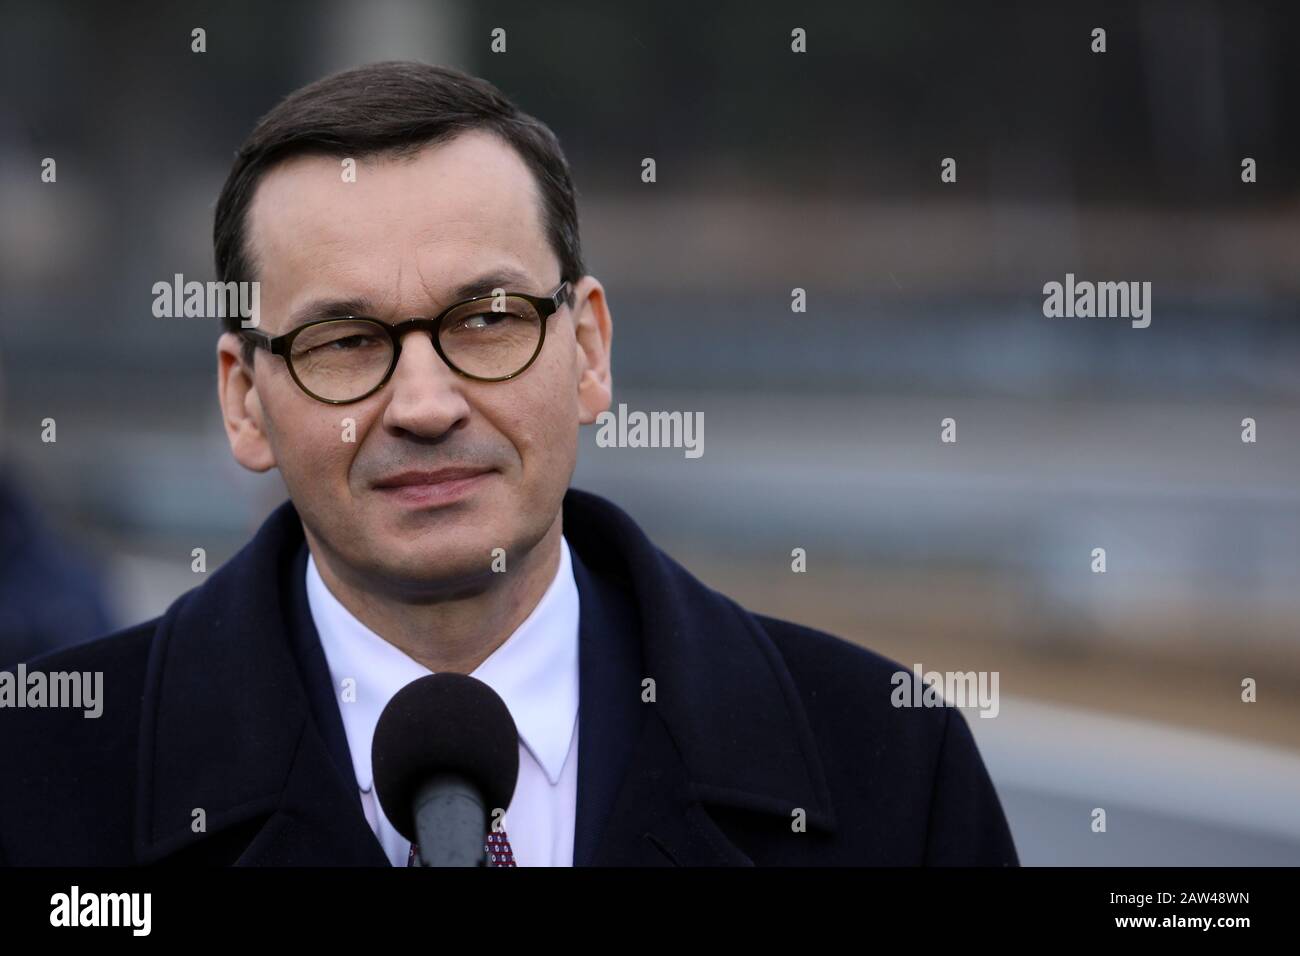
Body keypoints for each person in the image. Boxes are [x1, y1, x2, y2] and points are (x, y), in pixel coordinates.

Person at [0, 61, 1017, 867]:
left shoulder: (887, 764)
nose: (427, 405)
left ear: (588, 349)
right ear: (243, 397)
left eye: (486, 321)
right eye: (346, 342)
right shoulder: (38, 782)